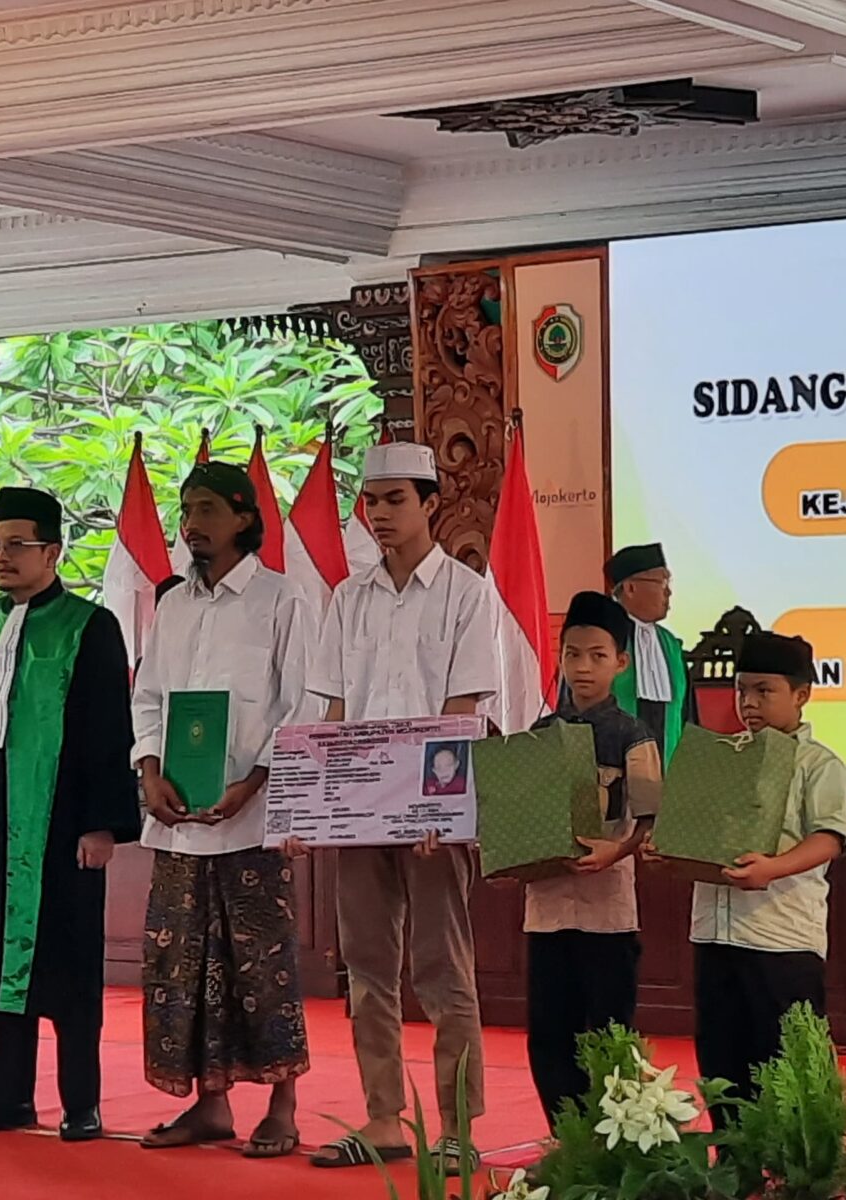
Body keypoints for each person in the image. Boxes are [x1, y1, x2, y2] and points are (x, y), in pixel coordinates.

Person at [297, 441, 504, 1172]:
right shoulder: (348, 597)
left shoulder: (466, 593)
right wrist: (307, 810)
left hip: (432, 820)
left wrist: (435, 812)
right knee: (366, 968)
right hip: (358, 817)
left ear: (430, 504)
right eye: (371, 502)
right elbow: (335, 711)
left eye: (394, 500)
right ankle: (383, 1119)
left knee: (444, 971)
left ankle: (458, 1130)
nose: (380, 515)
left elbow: (463, 709)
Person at [0, 486, 138, 1142]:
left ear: (52, 551)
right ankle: (6, 1098)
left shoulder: (89, 627)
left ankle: (81, 1101)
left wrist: (103, 822)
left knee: (71, 965)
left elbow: (109, 731)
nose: (2, 558)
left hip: (62, 828)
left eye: (16, 546)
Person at [131, 460, 316, 1159]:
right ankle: (210, 1106)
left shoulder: (282, 599)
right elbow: (147, 697)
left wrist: (256, 780)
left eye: (207, 509)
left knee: (258, 961)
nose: (191, 523)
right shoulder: (173, 602)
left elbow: (298, 703)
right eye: (185, 509)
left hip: (253, 815)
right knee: (184, 962)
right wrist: (150, 769)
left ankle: (283, 1104)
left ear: (243, 517)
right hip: (176, 817)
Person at [676, 629, 846, 1124]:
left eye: (764, 691)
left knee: (787, 1070)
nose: (748, 703)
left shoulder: (819, 764)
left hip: (781, 939)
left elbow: (831, 837)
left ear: (801, 695)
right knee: (723, 1066)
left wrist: (774, 868)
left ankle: (797, 1173)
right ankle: (734, 1168)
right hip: (714, 933)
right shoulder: (719, 758)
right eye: (742, 691)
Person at [522, 591, 660, 1126]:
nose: (583, 667)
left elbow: (650, 818)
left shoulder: (632, 734)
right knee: (549, 1032)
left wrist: (616, 850)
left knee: (606, 1032)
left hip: (607, 911)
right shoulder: (538, 735)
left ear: (620, 663)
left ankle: (612, 1144)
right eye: (573, 653)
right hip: (548, 908)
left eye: (598, 656)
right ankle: (565, 1142)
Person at [605, 544, 697, 752]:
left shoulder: (671, 645)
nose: (669, 591)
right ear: (630, 588)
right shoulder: (603, 641)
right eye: (662, 581)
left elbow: (688, 717)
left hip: (669, 773)